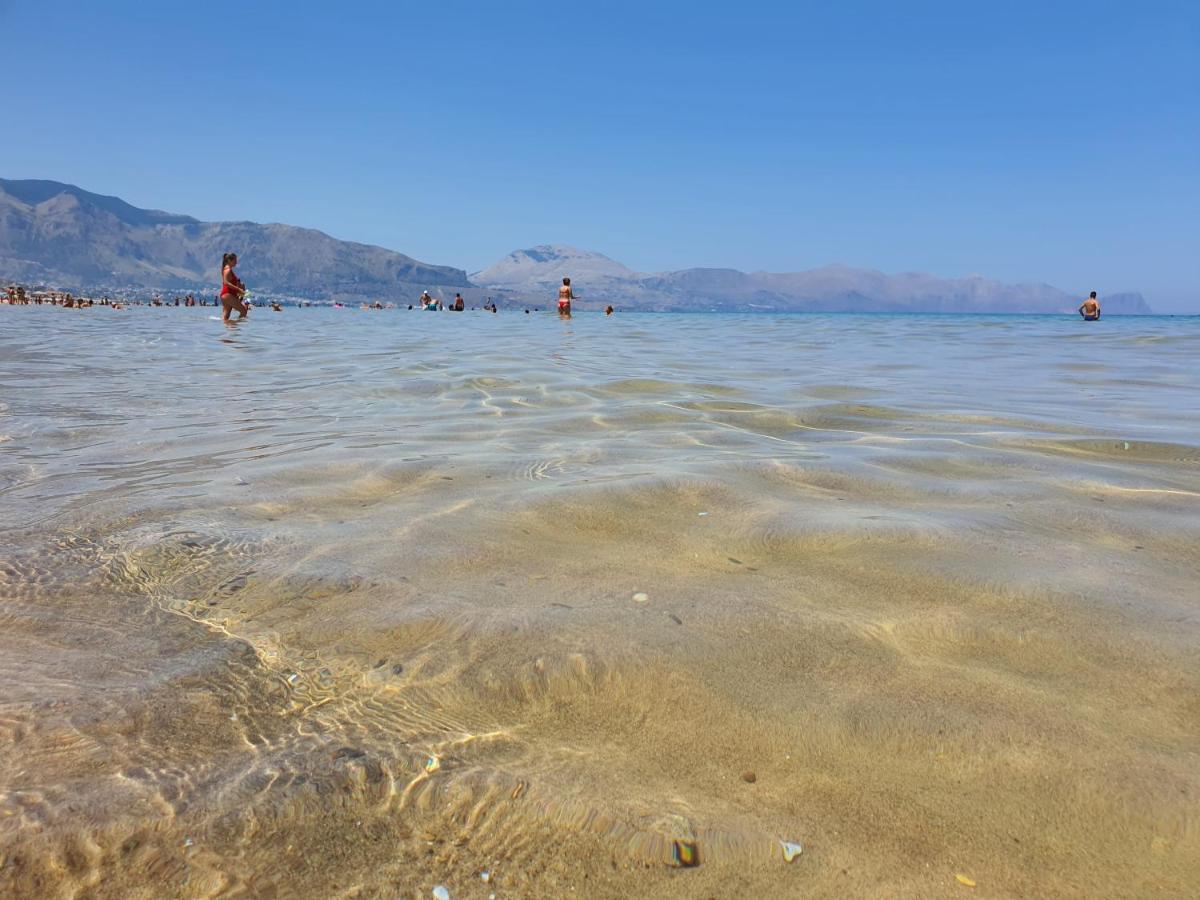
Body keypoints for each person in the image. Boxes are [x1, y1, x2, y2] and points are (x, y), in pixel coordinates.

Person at [220, 252, 248, 321]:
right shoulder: (228, 270)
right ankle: (236, 328)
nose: (236, 262)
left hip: (226, 295)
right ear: (229, 260)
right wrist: (239, 289)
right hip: (228, 294)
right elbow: (226, 282)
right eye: (235, 260)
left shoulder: (226, 269)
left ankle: (227, 330)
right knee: (244, 311)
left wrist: (240, 286)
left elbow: (229, 282)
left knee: (226, 316)